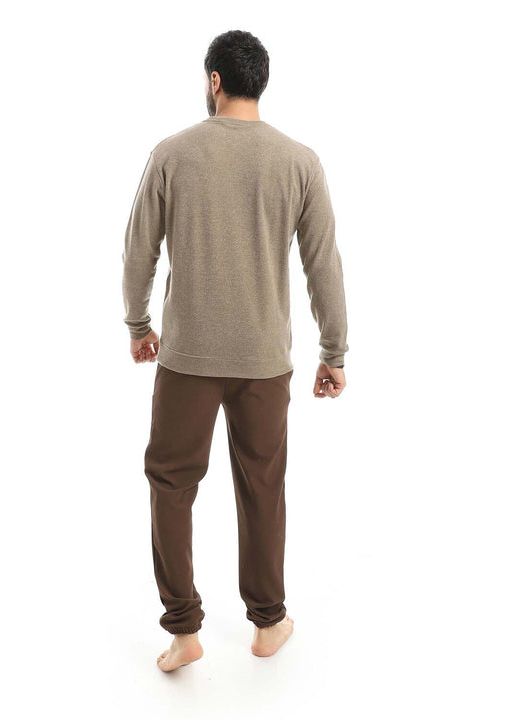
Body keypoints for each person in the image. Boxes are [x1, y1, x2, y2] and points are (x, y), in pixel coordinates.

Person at [122, 29, 349, 672]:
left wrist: (139, 324)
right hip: (264, 361)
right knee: (263, 486)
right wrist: (334, 351)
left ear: (214, 80)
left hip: (186, 357)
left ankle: (183, 631)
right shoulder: (299, 161)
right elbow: (323, 264)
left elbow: (138, 251)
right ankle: (269, 623)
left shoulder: (172, 153)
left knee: (171, 484)